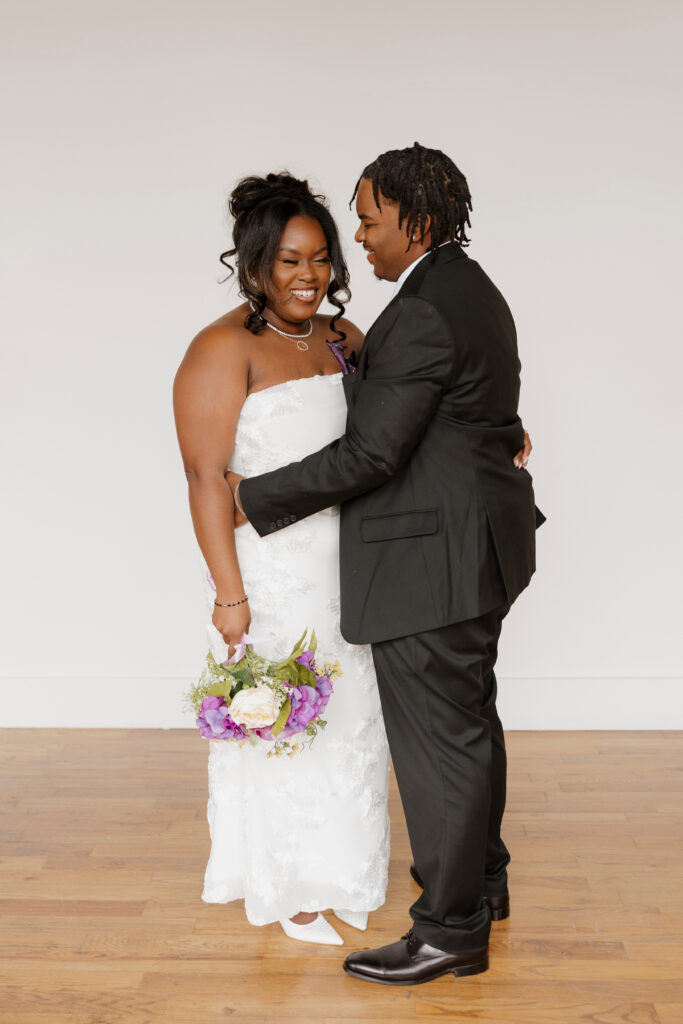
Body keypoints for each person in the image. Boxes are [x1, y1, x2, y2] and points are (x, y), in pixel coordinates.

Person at [229, 142, 544, 984]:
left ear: (420, 219)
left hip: (431, 559)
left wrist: (249, 499)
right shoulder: (465, 291)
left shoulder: (425, 310)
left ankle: (448, 930)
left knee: (442, 743)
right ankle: (479, 882)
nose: (359, 237)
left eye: (369, 219)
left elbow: (369, 456)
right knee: (468, 725)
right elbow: (470, 410)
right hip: (475, 544)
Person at [173, 173, 392, 945]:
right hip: (271, 573)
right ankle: (288, 884)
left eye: (322, 259)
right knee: (286, 717)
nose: (310, 277)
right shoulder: (222, 347)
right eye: (290, 261)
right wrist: (230, 597)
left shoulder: (347, 340)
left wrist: (500, 435)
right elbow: (205, 478)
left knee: (351, 721)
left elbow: (402, 431)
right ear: (255, 264)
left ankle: (345, 869)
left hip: (353, 565)